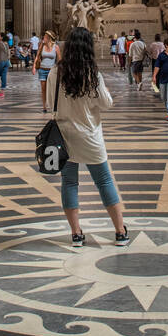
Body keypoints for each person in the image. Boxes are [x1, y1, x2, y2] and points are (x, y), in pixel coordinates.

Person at [47, 27, 129, 248]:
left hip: (64, 135)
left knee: (70, 183)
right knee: (104, 181)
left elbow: (48, 104)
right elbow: (106, 104)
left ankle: (76, 234)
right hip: (89, 135)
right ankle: (120, 231)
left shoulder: (56, 72)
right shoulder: (93, 74)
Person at [34, 29, 61, 112]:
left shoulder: (56, 47)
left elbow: (59, 60)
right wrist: (34, 67)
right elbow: (37, 56)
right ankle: (44, 106)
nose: (44, 38)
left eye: (45, 37)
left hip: (51, 71)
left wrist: (59, 69)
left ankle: (53, 105)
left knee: (52, 89)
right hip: (42, 70)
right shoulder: (42, 46)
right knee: (43, 89)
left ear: (49, 38)